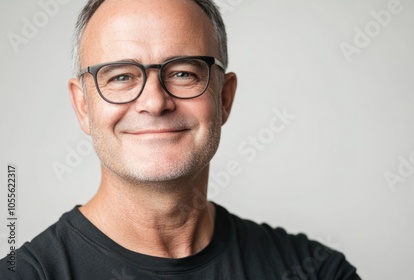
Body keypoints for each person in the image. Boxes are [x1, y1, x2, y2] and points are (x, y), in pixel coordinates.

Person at [1, 0, 361, 279]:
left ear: (224, 98)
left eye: (183, 73)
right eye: (121, 77)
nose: (155, 102)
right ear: (83, 106)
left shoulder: (318, 271)